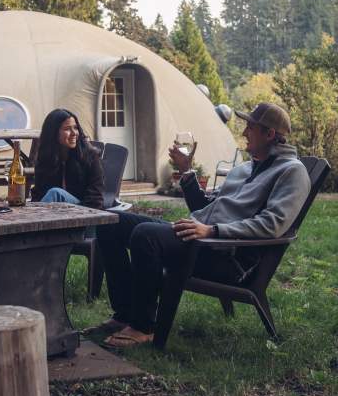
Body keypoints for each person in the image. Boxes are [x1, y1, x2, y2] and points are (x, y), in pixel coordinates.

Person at [94, 102, 311, 346]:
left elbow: (273, 225)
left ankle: (143, 326)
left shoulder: (292, 172)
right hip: (200, 240)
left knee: (146, 234)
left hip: (226, 256)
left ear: (269, 134)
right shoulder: (245, 169)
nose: (244, 133)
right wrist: (186, 171)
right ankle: (125, 314)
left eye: (250, 127)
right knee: (111, 221)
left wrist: (213, 230)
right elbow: (204, 206)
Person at [31, 108, 104, 209]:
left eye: (75, 127)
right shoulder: (46, 158)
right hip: (54, 215)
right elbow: (38, 193)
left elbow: (95, 199)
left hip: (85, 213)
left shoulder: (90, 156)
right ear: (53, 133)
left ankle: (32, 223)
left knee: (55, 193)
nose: (74, 133)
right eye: (67, 129)